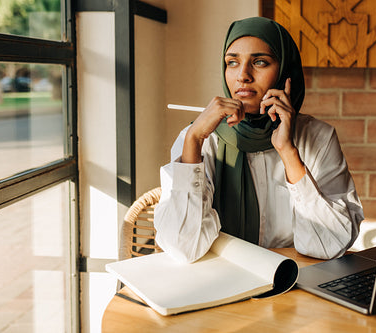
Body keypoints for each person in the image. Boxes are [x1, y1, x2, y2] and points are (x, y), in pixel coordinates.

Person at [154, 17, 363, 263]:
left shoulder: (318, 138)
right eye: (232, 62)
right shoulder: (200, 140)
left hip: (293, 284)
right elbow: (183, 248)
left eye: (260, 62)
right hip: (219, 285)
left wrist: (288, 152)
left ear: (285, 72)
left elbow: (331, 244)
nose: (243, 76)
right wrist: (193, 140)